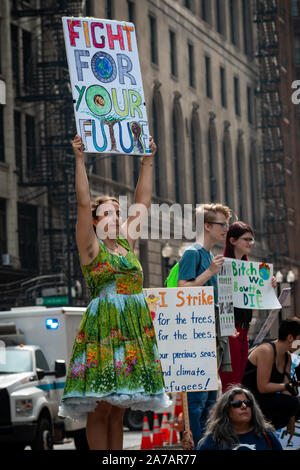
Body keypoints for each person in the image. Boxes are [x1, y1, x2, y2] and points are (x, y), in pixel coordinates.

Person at [58, 134, 171, 450]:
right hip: (105, 328)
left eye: (118, 212)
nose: (117, 217)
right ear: (95, 221)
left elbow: (143, 202)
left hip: (133, 329)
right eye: (108, 212)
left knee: (119, 407)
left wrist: (147, 159)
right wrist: (80, 159)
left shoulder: (126, 245)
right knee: (102, 403)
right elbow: (83, 201)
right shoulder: (90, 248)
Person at [177, 203, 232, 448]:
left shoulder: (210, 256)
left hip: (210, 335)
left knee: (211, 400)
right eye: (222, 225)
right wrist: (208, 273)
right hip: (194, 336)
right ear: (207, 226)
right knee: (198, 400)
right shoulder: (193, 254)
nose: (226, 229)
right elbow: (182, 289)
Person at [219, 221, 277, 393]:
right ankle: (228, 417)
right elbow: (223, 301)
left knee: (238, 382)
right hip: (230, 329)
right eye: (246, 239)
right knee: (231, 384)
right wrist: (228, 327)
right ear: (232, 241)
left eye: (252, 239)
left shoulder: (250, 268)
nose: (251, 243)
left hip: (245, 330)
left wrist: (267, 286)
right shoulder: (224, 265)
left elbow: (254, 300)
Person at [242, 319, 300, 435]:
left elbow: (286, 393)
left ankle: (267, 434)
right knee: (293, 403)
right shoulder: (266, 351)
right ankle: (261, 432)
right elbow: (263, 387)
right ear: (290, 338)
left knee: (294, 404)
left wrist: (292, 417)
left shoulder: (287, 357)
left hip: (266, 399)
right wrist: (287, 386)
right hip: (249, 399)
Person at [196, 385, 282, 450]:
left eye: (247, 402)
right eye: (237, 403)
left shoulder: (266, 435)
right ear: (226, 410)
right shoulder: (214, 440)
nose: (244, 406)